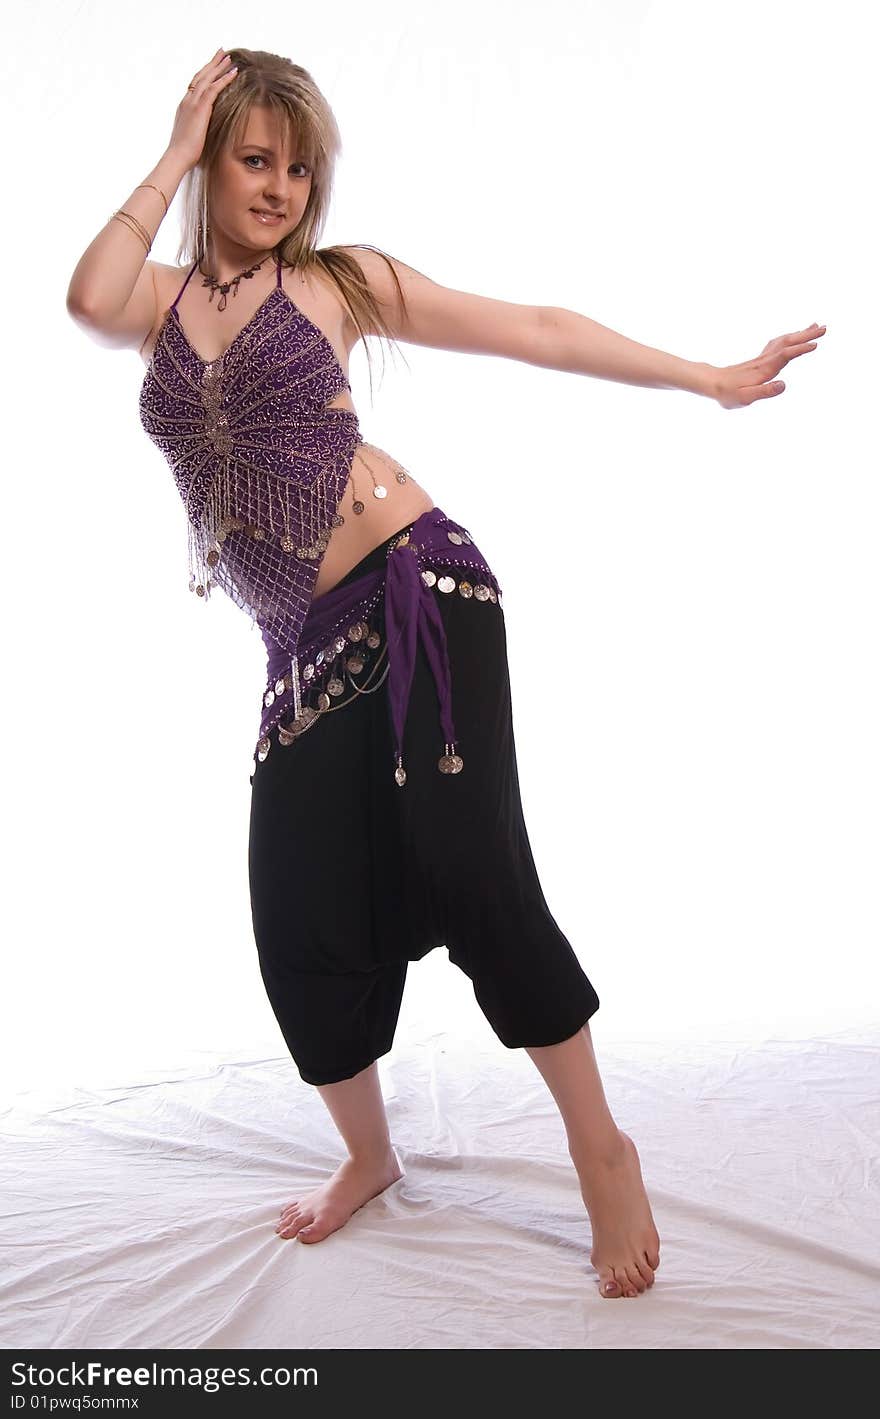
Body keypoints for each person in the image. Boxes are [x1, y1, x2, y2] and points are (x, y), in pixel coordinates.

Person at [66, 46, 825, 1302]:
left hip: (421, 590)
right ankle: (368, 1159)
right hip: (304, 654)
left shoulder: (335, 284)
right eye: (255, 160)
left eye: (300, 168)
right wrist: (171, 147)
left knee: (475, 872)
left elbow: (531, 330)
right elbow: (88, 295)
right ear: (211, 159)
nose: (281, 189)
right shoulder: (156, 301)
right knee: (297, 919)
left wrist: (707, 377)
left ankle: (599, 1145)